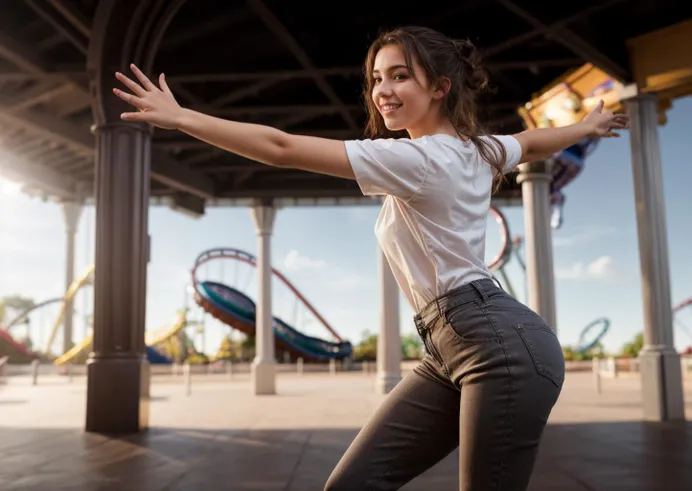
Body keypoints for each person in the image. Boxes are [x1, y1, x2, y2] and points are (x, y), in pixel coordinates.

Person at [113, 25, 628, 491]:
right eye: (378, 78)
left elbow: (281, 148)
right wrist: (584, 128)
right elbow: (531, 142)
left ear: (441, 87)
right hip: (452, 346)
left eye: (400, 76)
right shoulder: (477, 150)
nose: (383, 91)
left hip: (495, 346)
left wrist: (182, 118)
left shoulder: (419, 158)